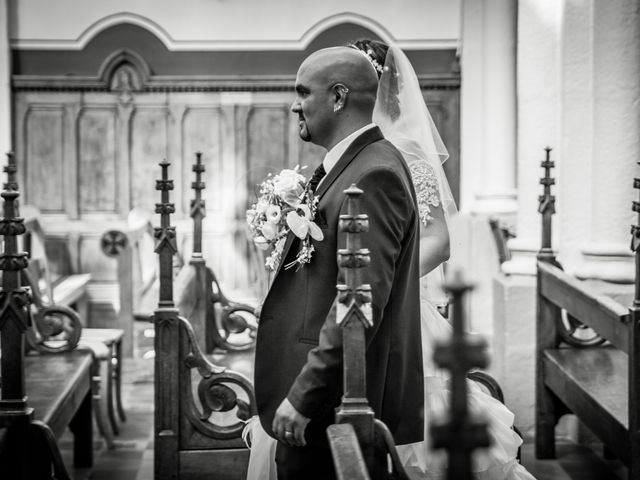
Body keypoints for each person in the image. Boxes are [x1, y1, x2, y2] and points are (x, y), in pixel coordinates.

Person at [252, 46, 424, 480]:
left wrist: (305, 395)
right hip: (324, 396)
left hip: (334, 404)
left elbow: (358, 305)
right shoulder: (351, 165)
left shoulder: (374, 174)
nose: (295, 104)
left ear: (339, 96)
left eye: (302, 92)